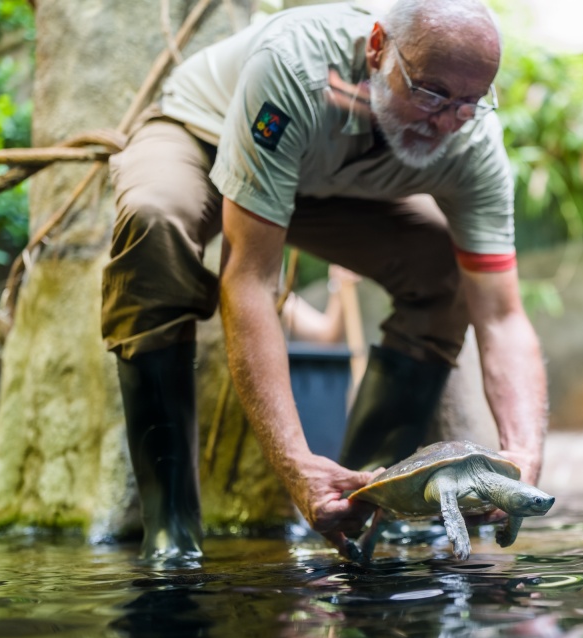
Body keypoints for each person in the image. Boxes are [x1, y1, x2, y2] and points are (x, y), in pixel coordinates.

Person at [101, 0, 548, 562]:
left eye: (470, 101)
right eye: (431, 92)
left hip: (328, 184)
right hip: (205, 134)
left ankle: (369, 498)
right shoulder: (294, 66)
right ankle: (170, 527)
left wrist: (524, 454)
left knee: (446, 266)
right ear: (377, 47)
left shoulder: (473, 140)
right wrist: (295, 465)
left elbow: (503, 315)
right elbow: (249, 280)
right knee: (153, 220)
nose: (446, 119)